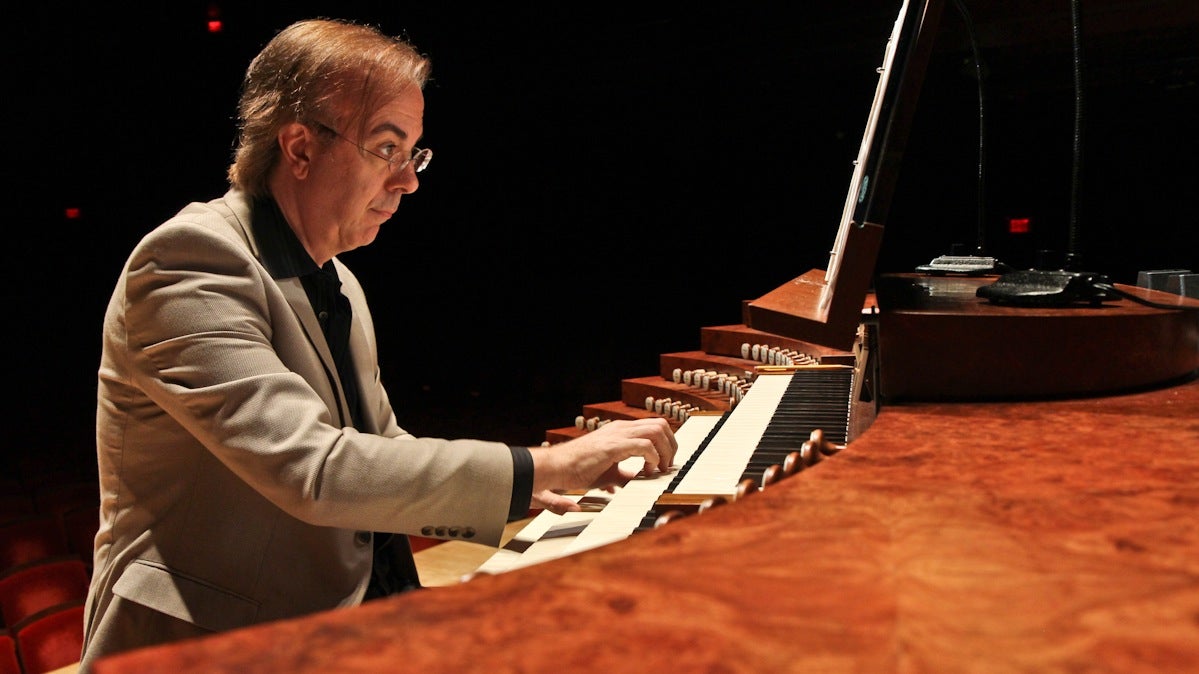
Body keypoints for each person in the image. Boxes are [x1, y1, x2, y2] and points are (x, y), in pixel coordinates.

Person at [79, 18, 677, 672]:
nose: (408, 181)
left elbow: (381, 445)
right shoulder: (190, 263)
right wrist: (536, 468)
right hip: (205, 644)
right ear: (299, 148)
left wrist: (538, 488)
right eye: (386, 147)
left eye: (414, 153)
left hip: (340, 625)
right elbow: (312, 467)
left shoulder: (338, 281)